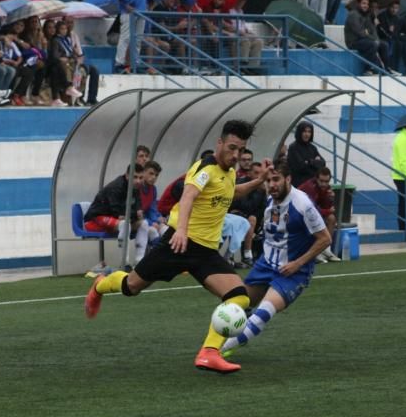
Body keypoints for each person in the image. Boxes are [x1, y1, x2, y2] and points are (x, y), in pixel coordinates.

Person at [84, 120, 273, 375]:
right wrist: (182, 230)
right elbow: (188, 196)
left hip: (205, 252)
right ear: (219, 143)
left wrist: (257, 181)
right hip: (178, 244)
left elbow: (231, 193)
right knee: (132, 287)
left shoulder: (228, 173)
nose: (236, 155)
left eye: (240, 150)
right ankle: (100, 285)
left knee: (239, 296)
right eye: (232, 148)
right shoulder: (205, 167)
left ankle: (209, 353)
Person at [219, 158, 332, 357]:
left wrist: (298, 263)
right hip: (265, 265)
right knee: (233, 307)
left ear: (288, 179)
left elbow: (325, 239)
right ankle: (225, 341)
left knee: (263, 313)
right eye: (269, 180)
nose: (272, 185)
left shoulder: (303, 204)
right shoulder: (269, 199)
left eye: (276, 180)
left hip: (292, 272)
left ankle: (218, 353)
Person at [84, 163, 152, 265]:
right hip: (96, 219)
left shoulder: (136, 187)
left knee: (144, 224)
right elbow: (117, 213)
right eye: (135, 177)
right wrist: (135, 214)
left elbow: (137, 207)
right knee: (124, 224)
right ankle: (125, 263)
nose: (138, 181)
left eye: (140, 177)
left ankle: (140, 261)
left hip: (116, 221)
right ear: (127, 175)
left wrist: (138, 212)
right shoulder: (116, 187)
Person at [298, 166, 341, 263]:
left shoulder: (326, 188)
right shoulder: (310, 187)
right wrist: (328, 211)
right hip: (299, 213)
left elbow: (327, 207)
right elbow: (312, 210)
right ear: (316, 178)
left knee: (331, 218)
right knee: (316, 219)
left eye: (326, 181)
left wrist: (330, 199)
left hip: (311, 213)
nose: (324, 184)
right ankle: (315, 252)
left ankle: (326, 250)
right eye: (321, 181)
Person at [114, 0, 147, 74]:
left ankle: (135, 63)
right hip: (129, 10)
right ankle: (119, 63)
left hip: (142, 10)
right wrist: (126, 5)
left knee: (138, 38)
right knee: (125, 37)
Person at [344, 0, 388, 75]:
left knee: (384, 45)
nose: (366, 6)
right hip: (353, 42)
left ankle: (386, 69)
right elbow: (359, 32)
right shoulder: (353, 14)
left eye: (367, 4)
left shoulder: (366, 16)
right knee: (372, 44)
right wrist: (373, 39)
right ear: (358, 4)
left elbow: (372, 31)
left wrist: (376, 37)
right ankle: (368, 69)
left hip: (365, 40)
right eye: (364, 3)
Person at [287, 120, 325, 188]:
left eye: (309, 132)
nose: (307, 134)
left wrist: (309, 162)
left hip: (312, 186)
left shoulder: (312, 148)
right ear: (300, 132)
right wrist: (315, 163)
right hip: (299, 186)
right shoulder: (293, 147)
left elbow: (323, 163)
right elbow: (301, 167)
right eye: (304, 131)